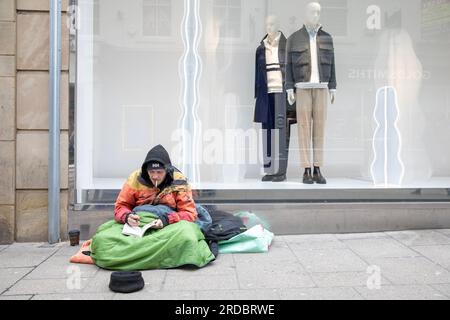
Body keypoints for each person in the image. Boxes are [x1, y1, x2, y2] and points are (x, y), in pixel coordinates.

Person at [114, 144, 197, 228]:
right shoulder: (134, 179)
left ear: (167, 171)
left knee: (187, 235)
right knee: (104, 237)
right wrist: (127, 217)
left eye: (159, 172)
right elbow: (121, 206)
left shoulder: (179, 181)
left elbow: (189, 213)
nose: (155, 176)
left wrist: (166, 220)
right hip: (138, 222)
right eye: (151, 171)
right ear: (146, 171)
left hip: (169, 223)